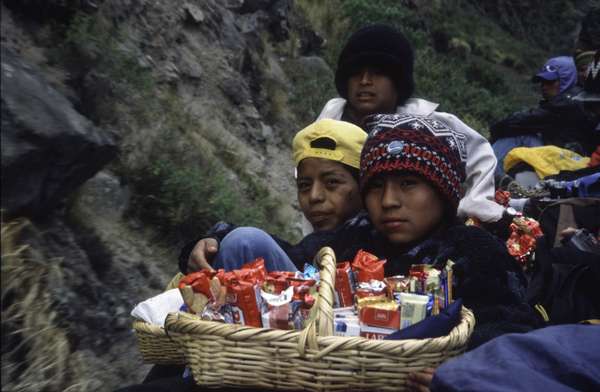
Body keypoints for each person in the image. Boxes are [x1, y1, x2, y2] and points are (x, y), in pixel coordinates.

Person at [317, 24, 506, 225]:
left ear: (398, 83)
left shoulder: (426, 123)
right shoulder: (328, 123)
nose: (364, 81)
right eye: (356, 73)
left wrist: (473, 208)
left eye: (378, 73)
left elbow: (481, 155)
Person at [180, 118, 368, 273]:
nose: (314, 196)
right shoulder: (321, 245)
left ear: (363, 185)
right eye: (304, 185)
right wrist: (218, 238)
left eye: (332, 183)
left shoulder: (373, 236)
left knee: (244, 242)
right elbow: (294, 254)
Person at [490, 56, 595, 178]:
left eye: (550, 81)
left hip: (569, 160)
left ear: (565, 80)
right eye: (542, 81)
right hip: (564, 155)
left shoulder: (565, 104)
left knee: (520, 135)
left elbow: (523, 120)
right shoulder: (575, 97)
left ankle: (489, 175)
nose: (543, 86)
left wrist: (495, 130)